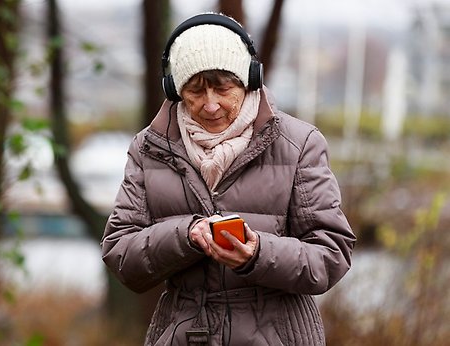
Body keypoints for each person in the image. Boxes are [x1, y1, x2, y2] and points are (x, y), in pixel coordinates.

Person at [101, 12, 356, 346]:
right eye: (194, 91)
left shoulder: (299, 144)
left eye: (223, 88)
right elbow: (121, 252)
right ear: (175, 90)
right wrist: (186, 236)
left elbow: (331, 254)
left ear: (248, 80)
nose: (210, 105)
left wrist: (258, 253)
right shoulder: (148, 148)